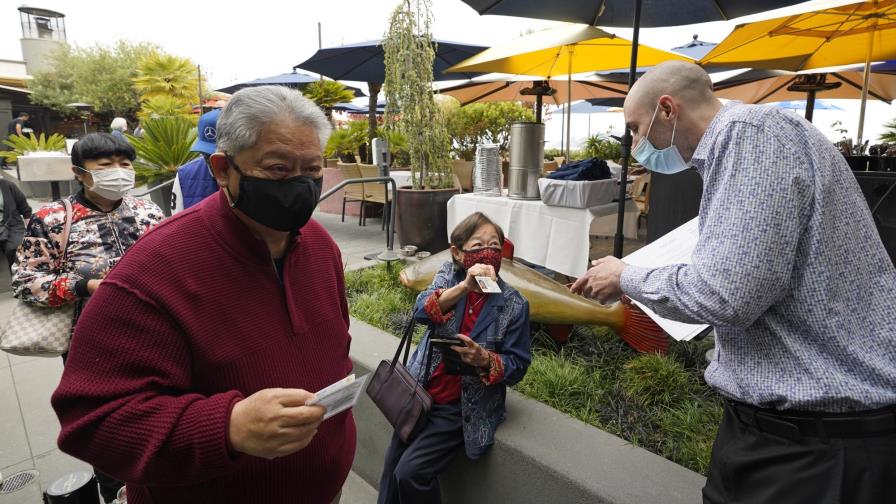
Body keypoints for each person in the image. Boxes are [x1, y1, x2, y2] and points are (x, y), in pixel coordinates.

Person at [571, 61, 896, 504]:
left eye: (635, 128)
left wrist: (625, 276)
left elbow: (727, 294)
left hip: (814, 447)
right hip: (784, 435)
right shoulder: (747, 143)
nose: (636, 145)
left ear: (666, 109)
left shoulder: (752, 138)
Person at [50, 86, 355, 504]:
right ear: (223, 169)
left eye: (312, 169)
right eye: (278, 169)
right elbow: (93, 421)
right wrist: (227, 428)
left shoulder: (320, 246)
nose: (300, 185)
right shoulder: (154, 269)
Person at [12, 132, 163, 502]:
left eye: (125, 164)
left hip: (155, 336)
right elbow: (27, 282)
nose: (118, 171)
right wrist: (84, 286)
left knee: (158, 413)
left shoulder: (149, 212)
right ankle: (116, 492)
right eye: (105, 165)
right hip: (90, 345)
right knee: (107, 424)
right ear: (79, 172)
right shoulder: (52, 218)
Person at [378, 212, 531, 504]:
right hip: (419, 394)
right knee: (391, 470)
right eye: (478, 246)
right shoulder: (450, 276)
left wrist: (484, 359)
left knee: (410, 473)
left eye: (495, 246)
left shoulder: (514, 305)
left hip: (459, 408)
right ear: (458, 253)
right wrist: (464, 288)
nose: (488, 253)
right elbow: (420, 312)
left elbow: (518, 366)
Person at [170, 108, 221, 214]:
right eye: (205, 153)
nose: (210, 159)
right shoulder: (184, 175)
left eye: (216, 154)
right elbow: (177, 218)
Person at [0, 178, 31, 271]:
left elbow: (25, 210)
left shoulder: (8, 186)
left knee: (18, 248)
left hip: (12, 226)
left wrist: (31, 233)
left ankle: (19, 273)